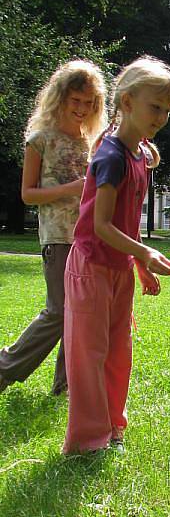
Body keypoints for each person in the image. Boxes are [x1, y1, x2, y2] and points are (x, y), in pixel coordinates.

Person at [62, 56, 170, 455]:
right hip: (91, 267)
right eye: (155, 107)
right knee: (89, 355)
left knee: (118, 353)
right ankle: (87, 439)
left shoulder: (141, 156)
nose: (162, 117)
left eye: (168, 110)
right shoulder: (111, 155)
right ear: (127, 103)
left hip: (117, 268)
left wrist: (138, 265)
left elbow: (127, 225)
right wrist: (145, 252)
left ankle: (113, 427)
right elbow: (101, 226)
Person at [0, 60, 107, 395]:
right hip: (58, 236)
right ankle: (4, 367)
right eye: (75, 100)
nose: (81, 108)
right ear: (60, 98)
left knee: (81, 314)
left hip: (90, 237)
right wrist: (70, 188)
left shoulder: (94, 141)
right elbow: (28, 194)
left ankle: (66, 385)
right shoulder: (41, 139)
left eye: (88, 103)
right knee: (59, 310)